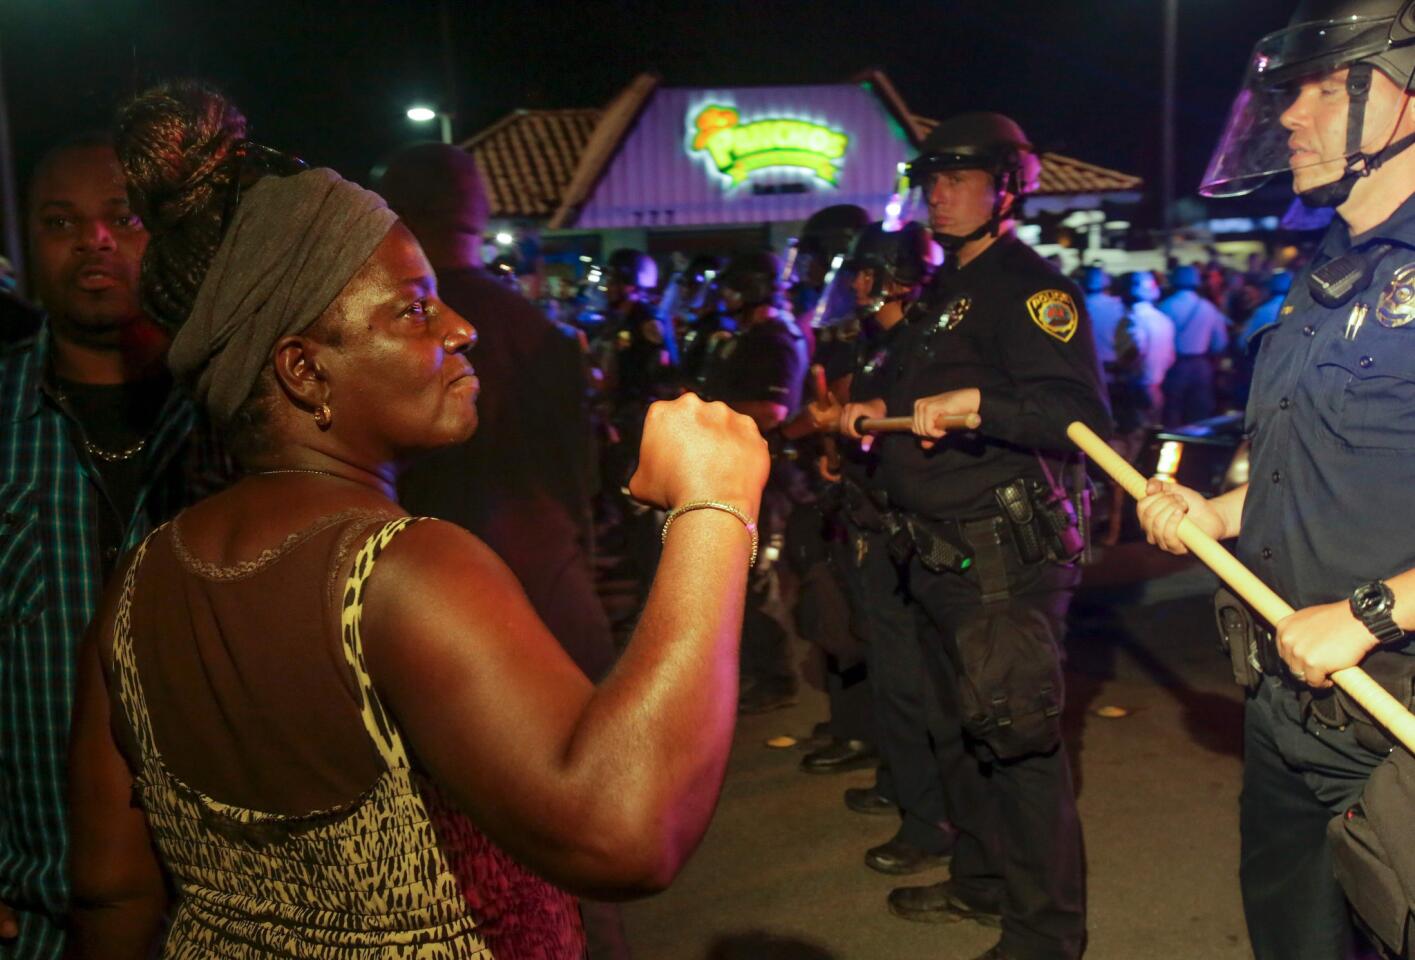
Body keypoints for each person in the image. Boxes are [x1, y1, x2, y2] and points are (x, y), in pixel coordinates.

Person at [65, 81, 769, 960]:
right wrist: (715, 504)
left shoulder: (133, 594)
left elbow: (110, 894)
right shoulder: (400, 568)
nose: (463, 326)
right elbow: (626, 831)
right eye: (414, 307)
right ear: (303, 370)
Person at [1139, 3, 1415, 957]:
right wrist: (1212, 513)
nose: (1289, 115)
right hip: (1284, 703)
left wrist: (1369, 613)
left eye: (1322, 86)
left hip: (1394, 717)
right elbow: (1308, 469)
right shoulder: (1320, 276)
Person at [839, 112, 1111, 960]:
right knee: (958, 733)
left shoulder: (1029, 287)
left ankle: (1044, 936)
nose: (939, 195)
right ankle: (982, 881)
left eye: (960, 179)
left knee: (1019, 745)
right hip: (934, 548)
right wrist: (871, 418)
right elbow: (920, 395)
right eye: (932, 179)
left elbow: (1078, 418)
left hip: (1002, 553)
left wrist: (981, 408)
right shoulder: (947, 290)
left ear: (1007, 188)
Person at [0, 133, 229, 960]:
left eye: (121, 217)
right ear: (28, 243)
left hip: (227, 914)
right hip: (38, 912)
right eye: (61, 221)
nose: (94, 240)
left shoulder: (229, 416)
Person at [377, 143, 614, 684]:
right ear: (478, 213)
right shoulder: (536, 328)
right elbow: (579, 471)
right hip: (543, 574)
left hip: (421, 588)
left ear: (392, 212)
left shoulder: (375, 332)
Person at [794, 219, 960, 871]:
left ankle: (927, 824)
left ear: (895, 275)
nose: (857, 284)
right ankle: (903, 787)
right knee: (892, 678)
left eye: (867, 272)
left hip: (904, 532)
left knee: (910, 682)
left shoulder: (919, 347)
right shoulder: (876, 342)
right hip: (869, 524)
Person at [695, 250, 808, 713]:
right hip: (747, 465)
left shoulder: (774, 339)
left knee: (758, 576)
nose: (726, 297)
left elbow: (773, 410)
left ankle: (776, 676)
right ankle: (755, 667)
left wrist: (709, 413)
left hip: (769, 471)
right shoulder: (751, 336)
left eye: (734, 289)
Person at [1158, 263, 1230, 426]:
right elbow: (1220, 343)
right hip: (1201, 366)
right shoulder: (1208, 308)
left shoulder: (1164, 306)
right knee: (1199, 415)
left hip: (1174, 365)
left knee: (1172, 412)